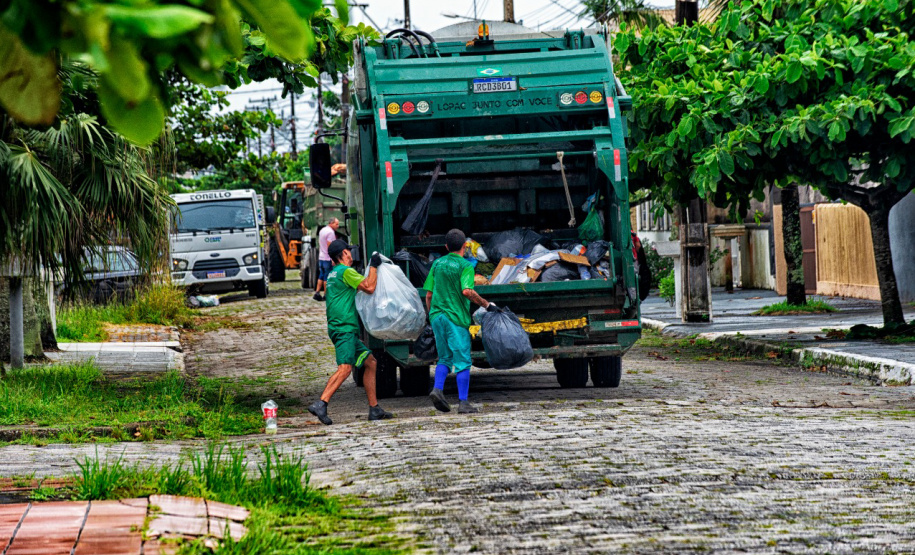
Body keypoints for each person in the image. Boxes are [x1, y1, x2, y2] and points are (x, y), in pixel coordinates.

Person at [308, 240, 393, 425]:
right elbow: (369, 287)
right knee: (345, 368)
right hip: (344, 329)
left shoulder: (332, 274)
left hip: (342, 328)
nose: (351, 254)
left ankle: (374, 408)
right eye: (348, 251)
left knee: (370, 362)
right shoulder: (346, 272)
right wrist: (374, 266)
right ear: (344, 253)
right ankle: (321, 403)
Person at [424, 228, 495, 415]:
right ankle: (463, 403)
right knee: (463, 360)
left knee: (444, 358)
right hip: (455, 318)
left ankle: (438, 389)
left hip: (437, 316)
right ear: (465, 246)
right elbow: (467, 291)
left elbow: (429, 295)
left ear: (446, 246)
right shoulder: (466, 266)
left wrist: (431, 316)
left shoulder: (437, 264)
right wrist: (486, 304)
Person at [314, 217, 340, 302]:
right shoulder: (330, 233)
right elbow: (330, 246)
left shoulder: (322, 230)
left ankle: (317, 292)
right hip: (327, 258)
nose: (338, 226)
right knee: (327, 277)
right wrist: (333, 258)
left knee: (321, 275)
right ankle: (326, 294)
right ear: (331, 223)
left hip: (321, 257)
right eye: (336, 224)